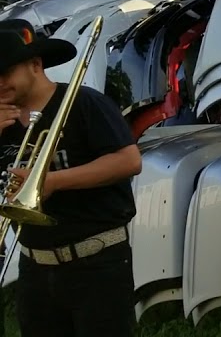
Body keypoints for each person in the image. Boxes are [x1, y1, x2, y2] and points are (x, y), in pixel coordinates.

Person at [0, 18, 142, 337]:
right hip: (34, 263)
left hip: (95, 260)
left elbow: (129, 161)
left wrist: (51, 182)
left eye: (6, 72)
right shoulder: (2, 120)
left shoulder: (83, 103)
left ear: (35, 64)